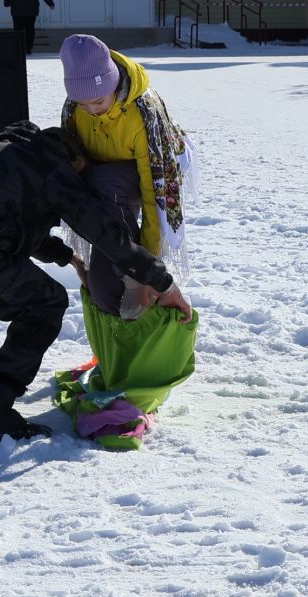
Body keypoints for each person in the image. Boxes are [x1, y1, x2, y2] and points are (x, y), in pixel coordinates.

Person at [0, 120, 172, 443]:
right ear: (71, 160)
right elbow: (107, 236)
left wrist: (67, 257)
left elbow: (5, 224)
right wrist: (162, 282)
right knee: (47, 303)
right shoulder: (51, 168)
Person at [51, 34, 199, 448]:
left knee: (113, 206)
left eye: (99, 102)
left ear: (114, 83)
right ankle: (115, 292)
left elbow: (154, 192)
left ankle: (129, 290)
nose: (91, 110)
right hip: (102, 180)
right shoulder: (75, 109)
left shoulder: (143, 113)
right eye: (83, 104)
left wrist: (148, 264)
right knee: (101, 206)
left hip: (140, 176)